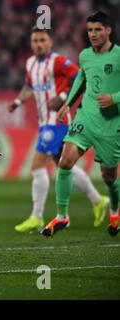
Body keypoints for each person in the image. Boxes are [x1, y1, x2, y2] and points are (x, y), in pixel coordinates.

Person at [7, 26, 109, 233]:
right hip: (45, 121)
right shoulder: (31, 63)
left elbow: (82, 78)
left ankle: (36, 216)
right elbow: (29, 86)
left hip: (58, 121)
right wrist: (18, 101)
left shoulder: (59, 62)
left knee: (37, 166)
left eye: (42, 40)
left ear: (50, 42)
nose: (38, 44)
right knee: (63, 165)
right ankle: (98, 200)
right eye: (35, 41)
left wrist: (63, 98)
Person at [41, 12, 119, 237]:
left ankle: (114, 210)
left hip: (111, 123)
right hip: (85, 118)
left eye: (98, 30)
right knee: (64, 161)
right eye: (90, 30)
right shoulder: (85, 55)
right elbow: (81, 80)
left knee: (109, 177)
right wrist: (68, 103)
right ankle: (62, 216)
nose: (93, 34)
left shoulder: (118, 56)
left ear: (108, 30)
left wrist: (114, 98)